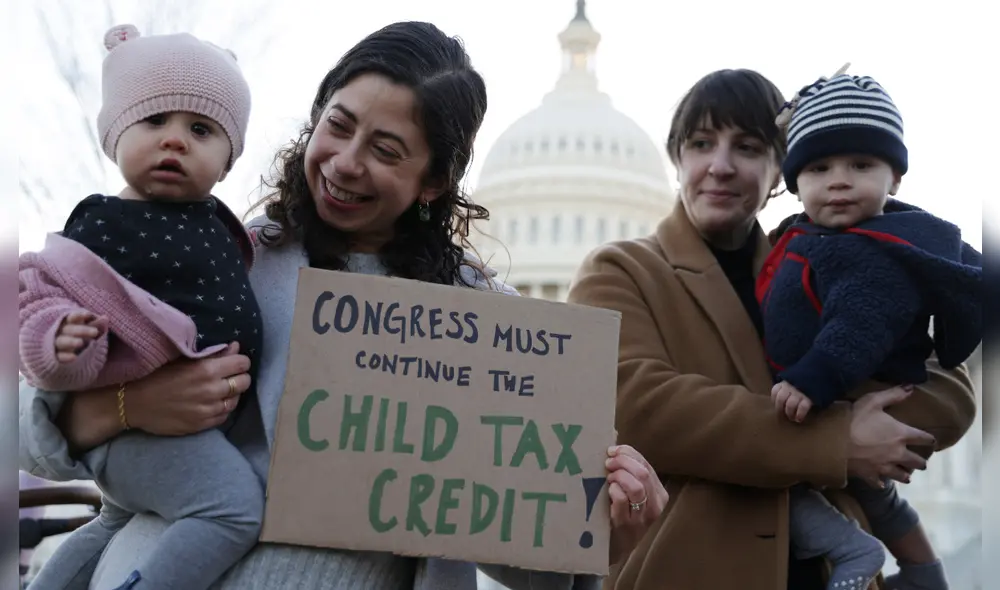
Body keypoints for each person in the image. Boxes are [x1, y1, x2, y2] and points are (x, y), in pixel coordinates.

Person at [18, 21, 668, 590]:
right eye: (338, 125)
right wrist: (119, 409)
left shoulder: (490, 334)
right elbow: (15, 423)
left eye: (386, 151)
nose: (345, 164)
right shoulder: (223, 255)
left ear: (434, 183)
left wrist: (606, 527)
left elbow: (516, 549)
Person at [566, 68, 977, 590]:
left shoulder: (830, 257)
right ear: (677, 160)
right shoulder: (621, 270)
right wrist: (835, 439)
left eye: (747, 147)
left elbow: (948, 391)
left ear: (781, 170)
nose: (720, 166)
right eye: (700, 144)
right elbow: (633, 406)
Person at [18, 24, 264, 590]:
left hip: (176, 438)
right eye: (155, 121)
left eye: (200, 129)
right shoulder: (105, 225)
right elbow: (36, 295)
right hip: (139, 434)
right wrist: (60, 341)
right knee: (231, 510)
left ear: (227, 161)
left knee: (113, 519)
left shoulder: (221, 228)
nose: (175, 140)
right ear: (116, 135)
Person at [757, 71, 982, 590]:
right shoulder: (806, 237)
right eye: (819, 167)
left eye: (861, 164)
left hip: (837, 386)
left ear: (895, 179)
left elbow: (859, 324)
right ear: (794, 183)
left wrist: (812, 380)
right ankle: (923, 572)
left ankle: (852, 550)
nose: (839, 179)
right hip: (839, 399)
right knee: (876, 494)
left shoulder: (877, 252)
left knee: (782, 481)